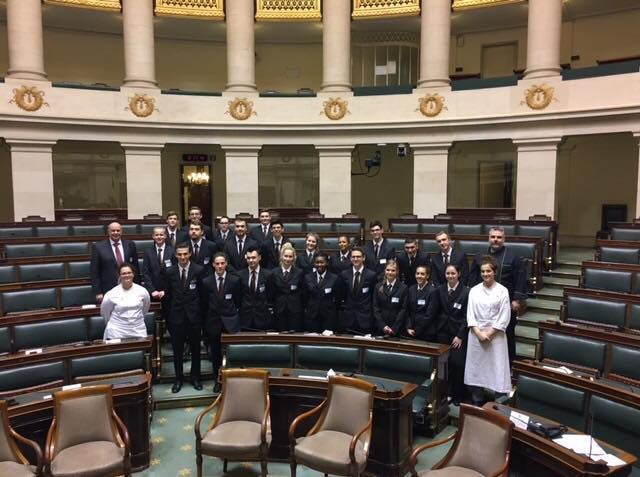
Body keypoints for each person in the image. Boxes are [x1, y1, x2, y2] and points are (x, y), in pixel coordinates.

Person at [468, 227, 527, 364]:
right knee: (484, 332)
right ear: (488, 238)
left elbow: (520, 278)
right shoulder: (480, 256)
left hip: (505, 304)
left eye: (499, 237)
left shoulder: (513, 257)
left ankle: (508, 364)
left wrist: (516, 299)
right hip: (483, 303)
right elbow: (473, 277)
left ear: (504, 239)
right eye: (493, 237)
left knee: (507, 335)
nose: (496, 240)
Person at [464, 257, 512, 406]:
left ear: (494, 272)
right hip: (476, 336)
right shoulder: (474, 290)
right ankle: (477, 400)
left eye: (488, 271)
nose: (485, 274)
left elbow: (504, 315)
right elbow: (470, 314)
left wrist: (489, 333)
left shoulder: (503, 291)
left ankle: (498, 403)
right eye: (483, 271)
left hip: (495, 337)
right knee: (477, 369)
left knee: (497, 368)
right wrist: (479, 333)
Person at [165, 243, 206, 393]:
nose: (182, 257)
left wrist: (199, 316)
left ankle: (195, 378)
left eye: (185, 254)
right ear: (175, 255)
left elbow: (203, 297)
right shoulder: (170, 272)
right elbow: (167, 298)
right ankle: (178, 379)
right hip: (177, 318)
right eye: (179, 254)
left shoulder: (199, 270)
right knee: (177, 351)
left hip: (194, 318)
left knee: (196, 350)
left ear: (190, 254)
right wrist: (169, 318)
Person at [428, 264, 470, 405]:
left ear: (458, 274)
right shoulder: (439, 290)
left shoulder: (466, 292)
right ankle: (445, 394)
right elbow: (434, 312)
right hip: (442, 333)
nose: (450, 276)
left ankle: (458, 395)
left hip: (458, 335)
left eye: (453, 273)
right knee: (442, 366)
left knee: (457, 365)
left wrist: (460, 335)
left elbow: (467, 317)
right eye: (448, 273)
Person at [202, 252, 241, 393]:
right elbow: (204, 304)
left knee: (232, 354)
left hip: (230, 323)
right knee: (216, 355)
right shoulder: (206, 282)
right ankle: (217, 381)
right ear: (213, 264)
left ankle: (233, 382)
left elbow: (238, 301)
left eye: (222, 263)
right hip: (213, 323)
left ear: (226, 264)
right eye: (217, 263)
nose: (219, 266)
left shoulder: (234, 280)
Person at [90, 222, 139, 303]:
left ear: (121, 231)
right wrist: (98, 292)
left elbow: (135, 267)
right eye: (113, 230)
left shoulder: (130, 244)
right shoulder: (98, 247)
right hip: (108, 289)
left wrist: (137, 286)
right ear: (108, 232)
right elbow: (94, 271)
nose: (115, 232)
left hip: (129, 287)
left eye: (118, 230)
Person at [100, 263, 150, 340]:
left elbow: (145, 309)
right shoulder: (111, 294)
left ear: (133, 274)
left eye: (129, 273)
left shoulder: (143, 291)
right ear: (119, 276)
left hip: (138, 329)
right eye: (123, 273)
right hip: (117, 330)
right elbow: (105, 313)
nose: (127, 275)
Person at [340, 247, 377, 335]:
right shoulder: (344, 274)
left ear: (363, 258)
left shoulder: (371, 275)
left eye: (358, 257)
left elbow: (373, 297)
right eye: (353, 257)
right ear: (350, 258)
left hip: (365, 319)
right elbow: (342, 295)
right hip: (349, 319)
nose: (355, 259)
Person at [268, 243, 304, 331]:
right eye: (286, 256)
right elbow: (271, 292)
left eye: (290, 256)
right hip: (279, 309)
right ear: (281, 257)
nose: (287, 259)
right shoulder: (273, 273)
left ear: (294, 258)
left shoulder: (299, 273)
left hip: (295, 310)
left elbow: (303, 293)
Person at [142, 227, 174, 320]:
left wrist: (165, 291)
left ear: (165, 236)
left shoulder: (172, 251)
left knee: (170, 318)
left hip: (168, 292)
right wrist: (152, 291)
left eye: (161, 234)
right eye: (156, 235)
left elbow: (174, 273)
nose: (159, 237)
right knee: (154, 319)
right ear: (153, 236)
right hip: (153, 292)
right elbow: (146, 273)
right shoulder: (148, 252)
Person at [304, 253, 341, 332]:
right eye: (317, 262)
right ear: (314, 263)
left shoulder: (334, 278)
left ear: (327, 263)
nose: (319, 264)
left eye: (322, 262)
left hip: (328, 316)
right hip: (312, 316)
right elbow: (305, 296)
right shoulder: (308, 277)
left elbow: (338, 297)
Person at [238, 246, 272, 330]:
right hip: (245, 318)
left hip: (262, 317)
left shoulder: (268, 275)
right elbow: (238, 296)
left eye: (253, 257)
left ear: (259, 258)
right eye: (248, 258)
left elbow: (270, 295)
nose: (251, 260)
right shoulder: (239, 275)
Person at [372, 259, 408, 336]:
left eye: (393, 270)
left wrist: (394, 328)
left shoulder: (403, 288)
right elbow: (375, 307)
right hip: (380, 327)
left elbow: (403, 309)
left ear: (397, 272)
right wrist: (383, 326)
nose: (390, 272)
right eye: (388, 270)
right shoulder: (378, 286)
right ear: (384, 271)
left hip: (396, 328)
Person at [406, 264, 438, 341]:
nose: (419, 276)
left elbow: (430, 314)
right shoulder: (411, 289)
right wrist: (408, 327)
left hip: (426, 333)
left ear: (427, 276)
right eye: (417, 273)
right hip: (410, 331)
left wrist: (417, 330)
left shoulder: (433, 291)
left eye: (422, 274)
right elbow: (407, 310)